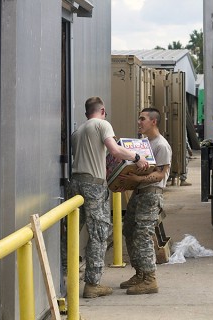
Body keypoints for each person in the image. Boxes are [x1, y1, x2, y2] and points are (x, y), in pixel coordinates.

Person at [67, 96, 149, 298]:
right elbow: (114, 150)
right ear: (102, 111)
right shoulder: (103, 125)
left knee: (70, 232)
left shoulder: (77, 132)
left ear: (87, 112)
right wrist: (137, 158)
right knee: (99, 233)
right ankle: (92, 284)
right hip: (93, 186)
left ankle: (64, 276)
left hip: (75, 183)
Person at [118, 107, 172, 295]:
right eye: (139, 118)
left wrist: (137, 180)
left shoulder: (161, 145)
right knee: (129, 230)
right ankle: (140, 273)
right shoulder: (142, 143)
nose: (139, 122)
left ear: (153, 122)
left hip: (151, 194)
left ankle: (150, 279)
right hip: (139, 193)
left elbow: (160, 174)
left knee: (142, 234)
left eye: (142, 119)